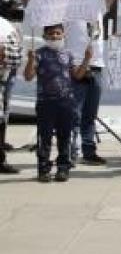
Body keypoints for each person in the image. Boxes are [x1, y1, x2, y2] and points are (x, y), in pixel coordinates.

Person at [62, 0, 121, 166]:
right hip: (76, 68)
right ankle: (70, 151)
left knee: (90, 114)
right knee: (74, 114)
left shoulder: (99, 7)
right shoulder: (69, 9)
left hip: (97, 67)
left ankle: (89, 150)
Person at [24, 24, 92, 182]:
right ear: (44, 36)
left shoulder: (68, 54)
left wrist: (87, 59)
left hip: (66, 103)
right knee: (45, 137)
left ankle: (63, 168)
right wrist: (30, 60)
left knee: (65, 137)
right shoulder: (39, 54)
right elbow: (28, 76)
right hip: (45, 103)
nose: (54, 36)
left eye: (57, 33)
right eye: (50, 33)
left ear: (63, 35)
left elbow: (78, 76)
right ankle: (43, 169)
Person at [0, 15, 22, 174]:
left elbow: (16, 49)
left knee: (2, 116)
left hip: (6, 74)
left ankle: (0, 157)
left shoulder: (6, 24)